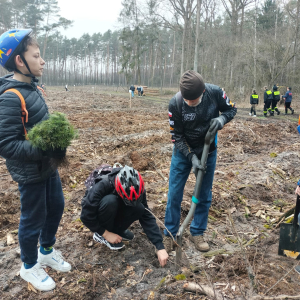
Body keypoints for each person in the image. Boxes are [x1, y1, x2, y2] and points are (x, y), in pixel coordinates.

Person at [0, 29, 71, 291]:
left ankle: (46, 250)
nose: (42, 61)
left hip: (47, 166)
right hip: (30, 172)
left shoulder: (31, 87)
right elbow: (6, 145)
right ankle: (29, 266)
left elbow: (39, 124)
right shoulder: (10, 97)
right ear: (20, 61)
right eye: (37, 56)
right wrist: (45, 149)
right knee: (33, 217)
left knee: (56, 206)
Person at [163, 70, 237, 253]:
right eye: (187, 100)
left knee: (204, 194)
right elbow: (177, 137)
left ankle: (197, 232)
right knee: (174, 193)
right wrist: (192, 158)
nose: (189, 103)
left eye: (193, 100)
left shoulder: (215, 93)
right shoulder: (176, 103)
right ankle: (170, 234)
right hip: (183, 153)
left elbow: (232, 109)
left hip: (208, 150)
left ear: (202, 92)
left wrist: (221, 119)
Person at [80, 165, 169, 267]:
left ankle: (117, 231)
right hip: (102, 212)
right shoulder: (103, 185)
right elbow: (85, 216)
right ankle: (101, 235)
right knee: (110, 201)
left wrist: (159, 246)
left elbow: (146, 216)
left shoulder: (138, 188)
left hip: (117, 209)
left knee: (140, 208)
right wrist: (105, 233)